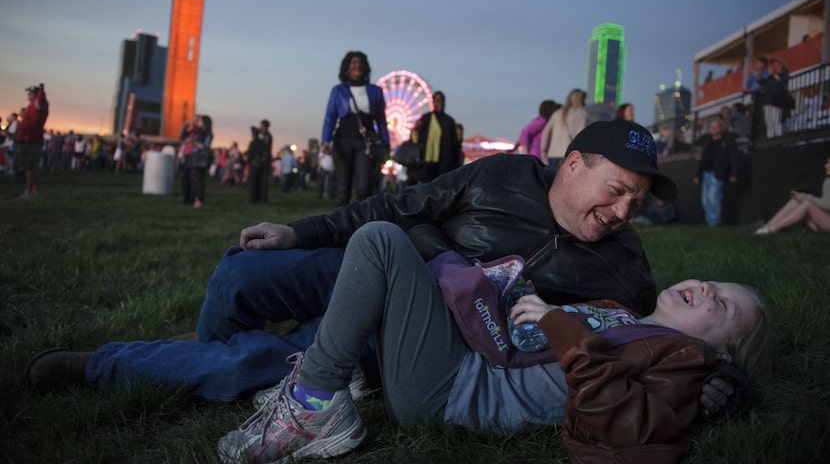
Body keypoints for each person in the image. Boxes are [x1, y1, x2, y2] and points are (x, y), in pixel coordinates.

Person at [26, 120, 741, 421]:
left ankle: (120, 368)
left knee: (272, 359)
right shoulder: (500, 177)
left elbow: (654, 338)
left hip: (424, 329)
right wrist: (296, 229)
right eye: (615, 191)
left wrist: (713, 379)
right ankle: (207, 358)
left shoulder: (623, 264)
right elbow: (399, 205)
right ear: (573, 164)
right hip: (368, 265)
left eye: (636, 204)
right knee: (243, 273)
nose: (622, 212)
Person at [216, 221, 770, 463]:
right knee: (397, 256)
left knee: (380, 243)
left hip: (455, 393)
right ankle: (336, 378)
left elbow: (620, 419)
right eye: (712, 283)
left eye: (721, 305)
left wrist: (559, 323)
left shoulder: (678, 361)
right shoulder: (623, 316)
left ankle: (315, 404)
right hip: (465, 362)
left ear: (719, 353)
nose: (704, 288)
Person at [320, 51, 389, 206]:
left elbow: (382, 120)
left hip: (366, 142)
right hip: (342, 140)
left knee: (364, 187)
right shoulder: (338, 90)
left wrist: (385, 143)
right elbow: (330, 116)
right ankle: (340, 225)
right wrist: (325, 140)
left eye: (361, 62)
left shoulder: (375, 90)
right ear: (347, 68)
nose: (358, 65)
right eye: (354, 63)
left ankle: (362, 225)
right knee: (343, 187)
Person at [754, 156, 830, 234]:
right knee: (796, 201)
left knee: (807, 204)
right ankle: (767, 226)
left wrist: (804, 197)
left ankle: (772, 229)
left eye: (829, 163)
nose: (826, 166)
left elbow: (827, 205)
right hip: (823, 221)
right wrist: (802, 198)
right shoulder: (827, 181)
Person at [693, 119, 740, 226]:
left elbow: (734, 158)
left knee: (713, 197)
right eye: (711, 127)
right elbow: (702, 159)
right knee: (705, 199)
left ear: (721, 128)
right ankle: (709, 221)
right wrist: (698, 174)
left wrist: (734, 173)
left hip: (717, 173)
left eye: (715, 127)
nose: (713, 129)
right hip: (706, 173)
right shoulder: (708, 141)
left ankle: (714, 222)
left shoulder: (727, 141)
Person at [409, 91, 462, 184]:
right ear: (433, 102)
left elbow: (455, 144)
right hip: (426, 162)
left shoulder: (449, 121)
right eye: (437, 101)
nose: (440, 103)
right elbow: (416, 138)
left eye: (442, 101)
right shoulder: (426, 118)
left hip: (444, 162)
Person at [539, 88, 587, 169]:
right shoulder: (583, 114)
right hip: (569, 155)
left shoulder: (558, 113)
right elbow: (580, 135)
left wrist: (543, 154)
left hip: (553, 155)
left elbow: (545, 133)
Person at [16, 84, 49, 198]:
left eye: (30, 93)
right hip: (30, 140)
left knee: (29, 168)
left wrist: (41, 92)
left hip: (31, 141)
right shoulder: (32, 106)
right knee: (31, 167)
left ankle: (29, 191)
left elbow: (40, 102)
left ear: (35, 94)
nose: (28, 95)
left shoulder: (38, 104)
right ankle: (34, 190)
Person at [180, 115, 214, 208]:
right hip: (193, 157)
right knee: (188, 179)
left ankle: (198, 199)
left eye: (200, 121)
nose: (198, 122)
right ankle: (189, 199)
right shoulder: (198, 132)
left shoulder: (208, 134)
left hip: (200, 159)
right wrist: (186, 125)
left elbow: (205, 146)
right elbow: (183, 137)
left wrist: (193, 143)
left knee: (198, 180)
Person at [743, 57, 769, 141]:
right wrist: (750, 76)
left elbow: (765, 85)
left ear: (763, 64)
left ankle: (762, 135)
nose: (755, 65)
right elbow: (747, 86)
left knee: (761, 117)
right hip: (754, 97)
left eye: (757, 63)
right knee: (753, 117)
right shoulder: (754, 74)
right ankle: (752, 135)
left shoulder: (766, 73)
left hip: (762, 97)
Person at [245, 127, 270, 203]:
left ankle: (253, 199)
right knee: (259, 182)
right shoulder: (263, 143)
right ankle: (259, 198)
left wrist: (248, 161)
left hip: (254, 165)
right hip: (262, 165)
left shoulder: (253, 143)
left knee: (253, 182)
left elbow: (250, 154)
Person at [258, 120, 273, 202]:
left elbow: (265, 148)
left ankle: (263, 197)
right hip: (263, 159)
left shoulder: (267, 136)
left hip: (264, 160)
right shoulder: (263, 135)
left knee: (264, 179)